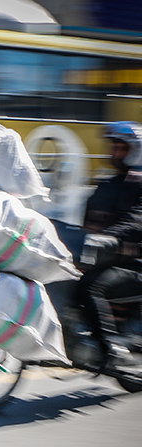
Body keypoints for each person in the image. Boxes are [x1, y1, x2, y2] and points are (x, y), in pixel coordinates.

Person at [75, 121, 142, 375]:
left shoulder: (139, 185)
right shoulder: (105, 185)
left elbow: (136, 221)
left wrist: (107, 238)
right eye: (113, 147)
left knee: (91, 286)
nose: (115, 153)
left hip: (133, 265)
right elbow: (84, 222)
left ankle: (110, 351)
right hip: (102, 260)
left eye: (121, 148)